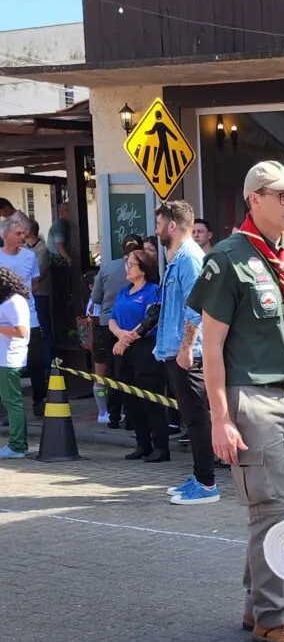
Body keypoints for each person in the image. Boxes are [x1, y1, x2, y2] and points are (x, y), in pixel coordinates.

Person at [188, 161, 284, 642]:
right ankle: (274, 617)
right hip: (254, 397)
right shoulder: (227, 259)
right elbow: (213, 346)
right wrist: (220, 418)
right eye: (283, 195)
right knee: (271, 510)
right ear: (254, 200)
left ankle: (258, 606)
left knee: (283, 508)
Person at [153, 200, 219, 506]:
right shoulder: (180, 258)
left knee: (196, 418)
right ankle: (199, 476)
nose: (156, 231)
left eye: (158, 224)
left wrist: (186, 348)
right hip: (175, 350)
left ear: (171, 225)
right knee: (191, 418)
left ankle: (206, 484)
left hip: (187, 353)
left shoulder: (189, 258)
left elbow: (197, 307)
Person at [109, 249, 169, 462]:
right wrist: (119, 335)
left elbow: (149, 319)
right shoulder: (124, 291)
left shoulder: (152, 291)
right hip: (123, 348)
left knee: (150, 398)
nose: (128, 268)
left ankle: (161, 446)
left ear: (143, 269)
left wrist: (127, 339)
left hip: (145, 347)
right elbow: (112, 318)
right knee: (130, 398)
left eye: (132, 265)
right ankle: (142, 444)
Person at [90, 233, 142, 427]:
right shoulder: (143, 269)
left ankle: (112, 416)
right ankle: (130, 416)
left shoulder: (107, 268)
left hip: (107, 325)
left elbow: (96, 297)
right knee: (132, 372)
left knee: (112, 372)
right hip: (134, 326)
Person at [0, 212, 46, 416]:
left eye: (23, 233)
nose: (22, 237)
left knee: (36, 360)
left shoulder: (30, 256)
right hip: (3, 320)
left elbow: (35, 281)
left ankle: (39, 400)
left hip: (30, 317)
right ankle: (5, 406)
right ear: (6, 235)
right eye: (18, 233)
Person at [0, 266, 31, 459]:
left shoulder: (14, 302)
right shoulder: (9, 301)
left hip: (10, 359)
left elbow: (22, 332)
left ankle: (18, 445)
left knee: (12, 402)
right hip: (5, 358)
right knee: (10, 401)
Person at [25, 218, 52, 375]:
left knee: (42, 329)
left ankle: (47, 365)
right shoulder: (22, 248)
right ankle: (30, 365)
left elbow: (40, 273)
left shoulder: (42, 249)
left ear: (29, 231)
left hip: (39, 294)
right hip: (26, 295)